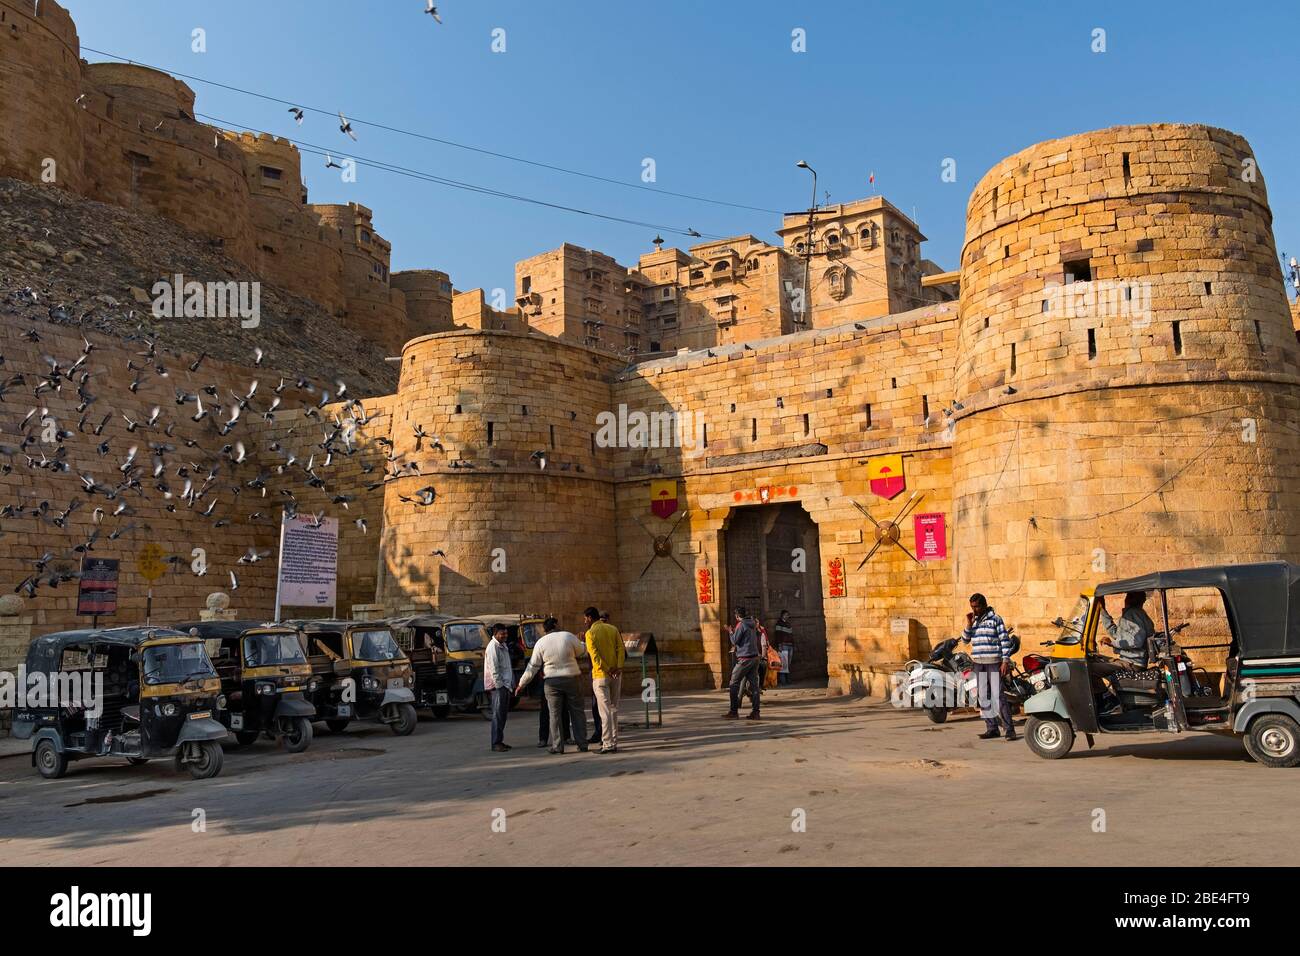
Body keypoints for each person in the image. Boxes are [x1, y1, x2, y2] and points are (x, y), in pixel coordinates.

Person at [516, 617, 588, 753]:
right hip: (572, 677)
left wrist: (521, 683)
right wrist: (582, 642)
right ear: (556, 625)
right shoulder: (568, 636)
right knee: (577, 712)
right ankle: (582, 743)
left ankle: (558, 746)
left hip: (551, 682)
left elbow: (533, 666)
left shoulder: (540, 643)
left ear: (545, 629)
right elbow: (583, 651)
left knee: (554, 714)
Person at [960, 593, 1016, 741]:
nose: (974, 610)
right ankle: (992, 728)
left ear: (984, 605)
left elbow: (1005, 641)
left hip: (994, 663)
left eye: (977, 606)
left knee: (999, 696)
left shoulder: (995, 619)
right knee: (983, 696)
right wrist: (969, 624)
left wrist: (1005, 661)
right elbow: (965, 640)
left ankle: (1009, 729)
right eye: (972, 607)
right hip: (978, 664)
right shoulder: (974, 621)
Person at [584, 606, 626, 754]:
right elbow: (621, 649)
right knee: (614, 708)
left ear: (590, 618)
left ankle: (607, 743)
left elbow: (594, 657)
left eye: (585, 618)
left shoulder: (590, 634)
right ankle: (614, 741)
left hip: (601, 675)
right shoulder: (613, 629)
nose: (585, 621)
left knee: (605, 711)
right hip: (616, 675)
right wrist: (618, 667)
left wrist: (607, 669)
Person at [724, 607, 762, 720]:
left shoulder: (741, 625)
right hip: (754, 658)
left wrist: (730, 631)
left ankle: (733, 711)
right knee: (755, 686)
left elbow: (735, 641)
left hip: (745, 659)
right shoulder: (752, 623)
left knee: (733, 683)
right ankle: (756, 712)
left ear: (737, 616)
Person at [1099, 591, 1156, 666]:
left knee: (1094, 668)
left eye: (1127, 597)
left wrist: (1112, 643)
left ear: (1130, 599)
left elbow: (1136, 641)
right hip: (1128, 661)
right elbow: (1117, 634)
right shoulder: (1134, 614)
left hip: (1133, 663)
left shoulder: (1133, 613)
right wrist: (1103, 610)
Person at [484, 623, 513, 753]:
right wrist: (500, 685)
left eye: (506, 633)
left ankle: (499, 741)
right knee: (497, 715)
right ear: (495, 634)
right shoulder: (492, 648)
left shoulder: (503, 645)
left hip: (505, 684)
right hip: (498, 686)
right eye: (502, 633)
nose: (505, 636)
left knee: (502, 715)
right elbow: (494, 669)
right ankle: (495, 743)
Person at [773, 610, 794, 685]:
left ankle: (788, 680)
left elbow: (791, 636)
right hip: (783, 645)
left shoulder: (788, 624)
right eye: (785, 615)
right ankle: (783, 681)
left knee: (788, 664)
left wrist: (793, 644)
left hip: (790, 645)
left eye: (788, 615)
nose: (787, 616)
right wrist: (779, 645)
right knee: (784, 664)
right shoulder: (779, 624)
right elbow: (778, 635)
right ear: (782, 615)